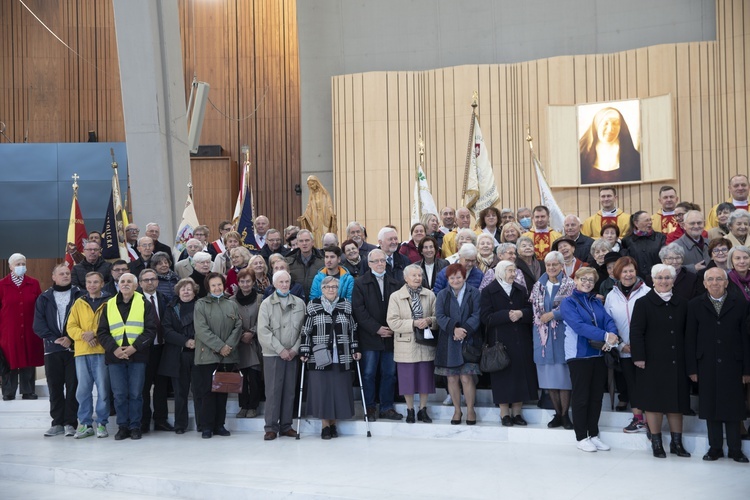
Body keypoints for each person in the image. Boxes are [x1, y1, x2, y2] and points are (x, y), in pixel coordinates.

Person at [686, 267, 750, 462]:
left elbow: (746, 339)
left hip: (734, 363)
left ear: (726, 282)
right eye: (711, 279)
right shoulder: (695, 304)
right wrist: (692, 368)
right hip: (706, 363)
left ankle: (735, 449)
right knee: (710, 406)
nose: (715, 283)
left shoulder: (740, 303)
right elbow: (690, 338)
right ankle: (715, 448)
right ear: (704, 283)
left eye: (719, 279)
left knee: (733, 407)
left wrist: (747, 369)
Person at [629, 264, 691, 458]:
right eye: (660, 278)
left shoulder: (682, 303)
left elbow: (687, 334)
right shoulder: (643, 303)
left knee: (676, 403)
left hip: (676, 361)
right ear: (653, 280)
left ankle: (677, 443)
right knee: (653, 403)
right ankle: (656, 443)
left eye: (667, 278)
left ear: (673, 280)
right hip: (651, 362)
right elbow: (636, 333)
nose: (663, 281)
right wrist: (638, 357)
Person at [560, 267, 619, 452]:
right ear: (575, 280)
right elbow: (579, 326)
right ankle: (581, 437)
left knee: (595, 397)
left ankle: (593, 434)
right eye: (583, 279)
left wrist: (612, 334)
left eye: (591, 281)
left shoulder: (596, 301)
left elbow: (608, 320)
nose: (587, 283)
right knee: (581, 397)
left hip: (598, 354)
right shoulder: (568, 302)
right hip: (579, 355)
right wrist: (605, 335)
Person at [96, 273, 156, 440]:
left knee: (136, 394)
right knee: (120, 394)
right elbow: (102, 332)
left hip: (137, 356)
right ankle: (123, 427)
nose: (125, 284)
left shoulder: (144, 303)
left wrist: (134, 348)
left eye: (129, 281)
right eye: (122, 281)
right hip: (115, 357)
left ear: (136, 286)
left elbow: (151, 330)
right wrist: (114, 349)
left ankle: (135, 426)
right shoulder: (109, 305)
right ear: (118, 285)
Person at [299, 276, 360, 439]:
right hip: (319, 354)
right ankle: (325, 425)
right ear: (322, 289)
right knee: (322, 391)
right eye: (327, 287)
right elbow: (306, 330)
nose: (331, 289)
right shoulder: (313, 305)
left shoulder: (346, 304)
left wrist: (355, 348)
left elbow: (353, 329)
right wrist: (304, 351)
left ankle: (334, 424)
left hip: (342, 353)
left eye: (334, 287)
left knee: (338, 391)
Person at [480, 260, 538, 427]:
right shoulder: (488, 291)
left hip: (521, 340)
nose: (514, 274)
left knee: (520, 376)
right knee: (502, 377)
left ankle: (517, 413)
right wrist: (507, 315)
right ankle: (504, 413)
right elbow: (485, 318)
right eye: (510, 271)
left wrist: (520, 313)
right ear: (500, 272)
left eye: (514, 271)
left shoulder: (520, 289)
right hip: (500, 342)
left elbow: (530, 312)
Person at [352, 249, 403, 421]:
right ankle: (370, 407)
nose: (381, 264)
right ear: (369, 264)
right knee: (368, 374)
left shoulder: (395, 283)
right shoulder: (360, 283)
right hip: (369, 336)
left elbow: (400, 308)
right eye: (377, 261)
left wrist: (390, 328)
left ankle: (387, 407)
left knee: (389, 373)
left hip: (390, 336)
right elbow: (359, 310)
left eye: (383, 261)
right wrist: (376, 329)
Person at [33, 264, 82, 437]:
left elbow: (84, 321)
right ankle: (57, 423)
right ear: (53, 277)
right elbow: (38, 325)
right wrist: (56, 339)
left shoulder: (79, 295)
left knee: (73, 386)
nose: (65, 276)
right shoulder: (44, 298)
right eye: (61, 273)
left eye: (68, 273)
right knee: (54, 387)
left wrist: (70, 338)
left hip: (74, 349)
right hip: (52, 350)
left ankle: (70, 422)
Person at [193, 272, 242, 439]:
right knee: (207, 393)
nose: (217, 288)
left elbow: (238, 326)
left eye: (219, 284)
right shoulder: (201, 304)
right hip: (207, 355)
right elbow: (201, 330)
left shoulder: (231, 304)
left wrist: (228, 346)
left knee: (223, 392)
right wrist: (220, 346)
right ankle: (206, 426)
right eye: (213, 285)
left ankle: (220, 425)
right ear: (208, 287)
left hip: (227, 356)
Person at [257, 270, 305, 440]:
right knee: (273, 391)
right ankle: (270, 427)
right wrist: (280, 350)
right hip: (273, 354)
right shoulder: (266, 304)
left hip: (292, 354)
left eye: (287, 282)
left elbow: (303, 330)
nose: (284, 285)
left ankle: (286, 425)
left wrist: (294, 349)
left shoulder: (299, 303)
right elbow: (263, 330)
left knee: (289, 391)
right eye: (281, 282)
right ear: (274, 284)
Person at [604, 256, 650, 432]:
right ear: (618, 273)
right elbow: (608, 323)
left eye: (631, 270)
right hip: (623, 348)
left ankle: (651, 420)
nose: (628, 274)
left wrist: (641, 345)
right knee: (631, 384)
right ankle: (637, 418)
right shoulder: (611, 295)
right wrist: (620, 344)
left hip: (645, 349)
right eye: (624, 271)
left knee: (646, 384)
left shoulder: (647, 292)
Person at [530, 252, 576, 429]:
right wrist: (543, 317)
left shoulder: (570, 285)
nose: (551, 268)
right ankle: (557, 414)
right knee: (550, 380)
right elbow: (535, 310)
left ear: (562, 265)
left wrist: (554, 314)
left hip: (563, 336)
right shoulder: (538, 285)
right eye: (548, 265)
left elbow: (573, 308)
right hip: (543, 339)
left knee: (564, 380)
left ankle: (566, 415)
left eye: (555, 265)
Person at [387, 265, 437, 424]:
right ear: (406, 278)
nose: (417, 278)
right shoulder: (396, 296)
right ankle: (410, 409)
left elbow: (437, 317)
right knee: (407, 379)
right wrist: (413, 323)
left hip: (425, 342)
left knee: (425, 378)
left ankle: (423, 409)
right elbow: (392, 322)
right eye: (413, 275)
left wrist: (429, 320)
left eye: (419, 275)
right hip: (405, 342)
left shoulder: (429, 294)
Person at [434, 264, 482, 425]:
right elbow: (439, 316)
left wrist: (464, 330)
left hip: (468, 340)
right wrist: (454, 329)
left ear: (464, 277)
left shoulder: (474, 292)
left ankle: (470, 409)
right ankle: (457, 410)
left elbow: (477, 314)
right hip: (448, 340)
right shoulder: (442, 294)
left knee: (466, 377)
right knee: (452, 378)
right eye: (452, 278)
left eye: (458, 277)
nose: (455, 280)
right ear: (447, 279)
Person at [66, 271, 111, 438]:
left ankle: (101, 424)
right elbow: (71, 327)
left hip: (101, 351)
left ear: (102, 284)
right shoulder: (79, 303)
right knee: (83, 390)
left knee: (103, 390)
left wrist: (95, 334)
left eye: (96, 282)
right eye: (89, 282)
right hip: (82, 352)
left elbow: (112, 325)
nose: (92, 285)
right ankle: (85, 423)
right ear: (86, 285)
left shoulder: (109, 303)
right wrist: (85, 335)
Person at [0, 253, 43, 401]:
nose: (21, 267)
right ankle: (8, 391)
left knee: (28, 357)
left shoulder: (34, 283)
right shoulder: (2, 285)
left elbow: (39, 306)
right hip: (8, 331)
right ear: (10, 267)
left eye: (23, 264)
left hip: (29, 329)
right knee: (10, 360)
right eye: (17, 264)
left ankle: (28, 390)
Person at [159, 278, 199, 434]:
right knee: (180, 393)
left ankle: (202, 424)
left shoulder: (201, 306)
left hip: (198, 354)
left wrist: (196, 341)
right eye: (183, 289)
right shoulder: (171, 308)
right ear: (178, 291)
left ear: (194, 291)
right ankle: (180, 425)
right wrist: (185, 341)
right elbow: (167, 331)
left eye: (189, 288)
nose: (186, 291)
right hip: (178, 355)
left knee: (199, 391)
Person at [137, 268, 173, 433]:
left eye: (153, 279)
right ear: (140, 283)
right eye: (146, 280)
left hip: (162, 348)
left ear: (157, 281)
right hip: (143, 349)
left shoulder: (164, 298)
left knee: (161, 386)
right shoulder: (135, 300)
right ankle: (144, 421)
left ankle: (161, 420)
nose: (150, 282)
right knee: (143, 387)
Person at [229, 268, 264, 420]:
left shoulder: (260, 299)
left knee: (254, 376)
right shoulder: (231, 301)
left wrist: (252, 332)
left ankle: (253, 406)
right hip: (239, 343)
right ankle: (243, 405)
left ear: (253, 282)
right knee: (241, 377)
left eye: (248, 281)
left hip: (255, 343)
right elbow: (230, 321)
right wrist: (241, 334)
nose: (245, 284)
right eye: (242, 281)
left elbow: (263, 319)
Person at [579, 106, 640, 185]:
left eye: (615, 123)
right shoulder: (582, 156)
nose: (610, 129)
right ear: (596, 125)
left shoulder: (634, 158)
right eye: (606, 123)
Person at [620, 211, 666, 287]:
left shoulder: (660, 238)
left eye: (650, 220)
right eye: (646, 220)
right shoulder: (627, 241)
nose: (650, 223)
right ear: (636, 223)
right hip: (635, 282)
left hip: (657, 281)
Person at [298, 175, 337, 247]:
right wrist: (304, 216)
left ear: (316, 182)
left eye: (312, 184)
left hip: (324, 218)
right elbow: (309, 207)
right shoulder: (312, 195)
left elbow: (329, 205)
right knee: (315, 235)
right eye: (310, 185)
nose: (311, 186)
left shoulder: (325, 194)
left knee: (325, 234)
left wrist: (331, 213)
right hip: (315, 220)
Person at [285, 229, 324, 298]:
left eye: (307, 240)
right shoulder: (289, 262)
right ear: (298, 243)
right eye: (301, 241)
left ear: (312, 242)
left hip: (317, 301)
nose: (304, 243)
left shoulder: (322, 262)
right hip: (295, 302)